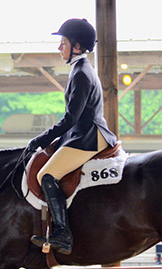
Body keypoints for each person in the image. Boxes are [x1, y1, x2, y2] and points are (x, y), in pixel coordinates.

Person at [26, 18, 117, 255]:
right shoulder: (81, 69)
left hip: (88, 136)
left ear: (77, 46)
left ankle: (63, 235)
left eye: (63, 43)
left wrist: (41, 140)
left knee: (46, 175)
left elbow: (71, 118)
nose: (59, 48)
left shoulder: (81, 74)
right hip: (82, 133)